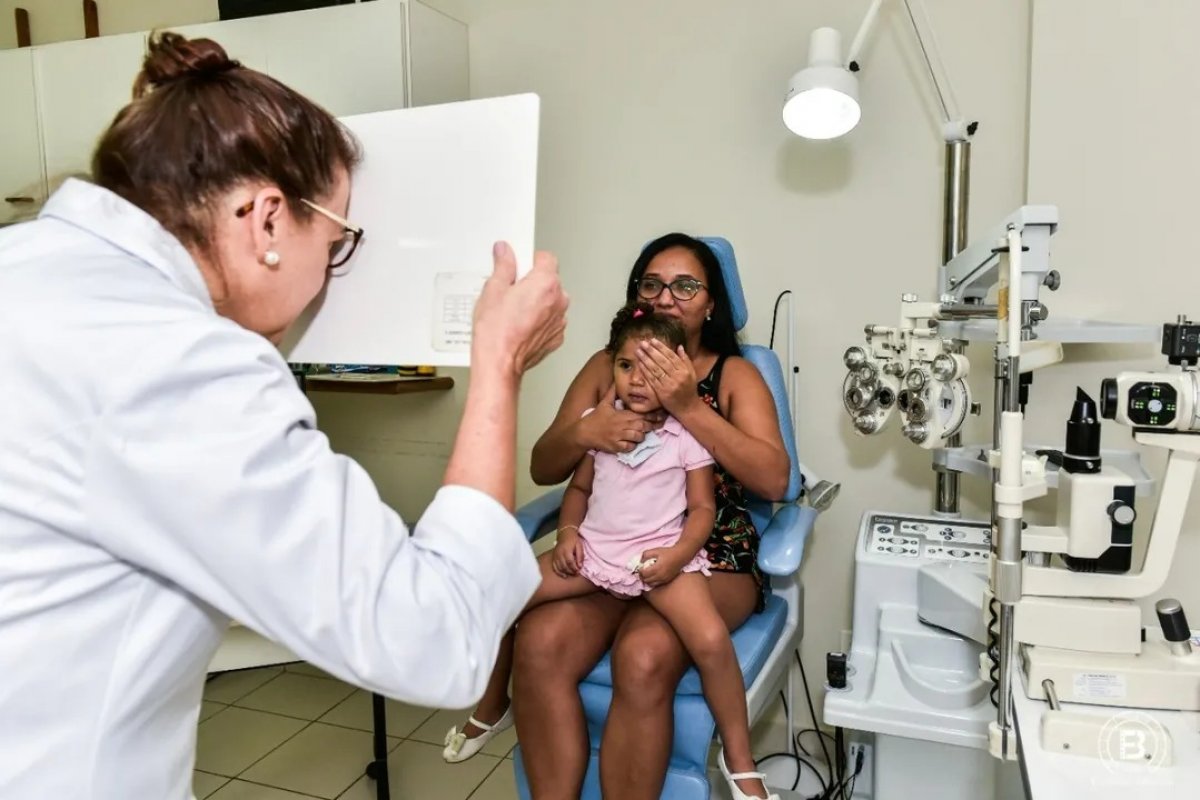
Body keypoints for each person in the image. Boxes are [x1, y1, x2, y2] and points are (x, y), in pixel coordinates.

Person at [0, 32, 567, 800]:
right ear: (267, 221)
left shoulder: (25, 269)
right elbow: (432, 637)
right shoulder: (179, 361)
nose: (330, 279)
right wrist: (498, 366)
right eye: (336, 244)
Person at [446, 233, 791, 799]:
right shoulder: (611, 368)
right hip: (609, 544)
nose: (666, 296)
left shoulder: (734, 375)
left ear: (711, 304)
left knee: (645, 653)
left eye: (686, 285)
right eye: (651, 283)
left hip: (706, 550)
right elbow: (544, 467)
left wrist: (684, 404)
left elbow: (775, 480)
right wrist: (585, 431)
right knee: (537, 641)